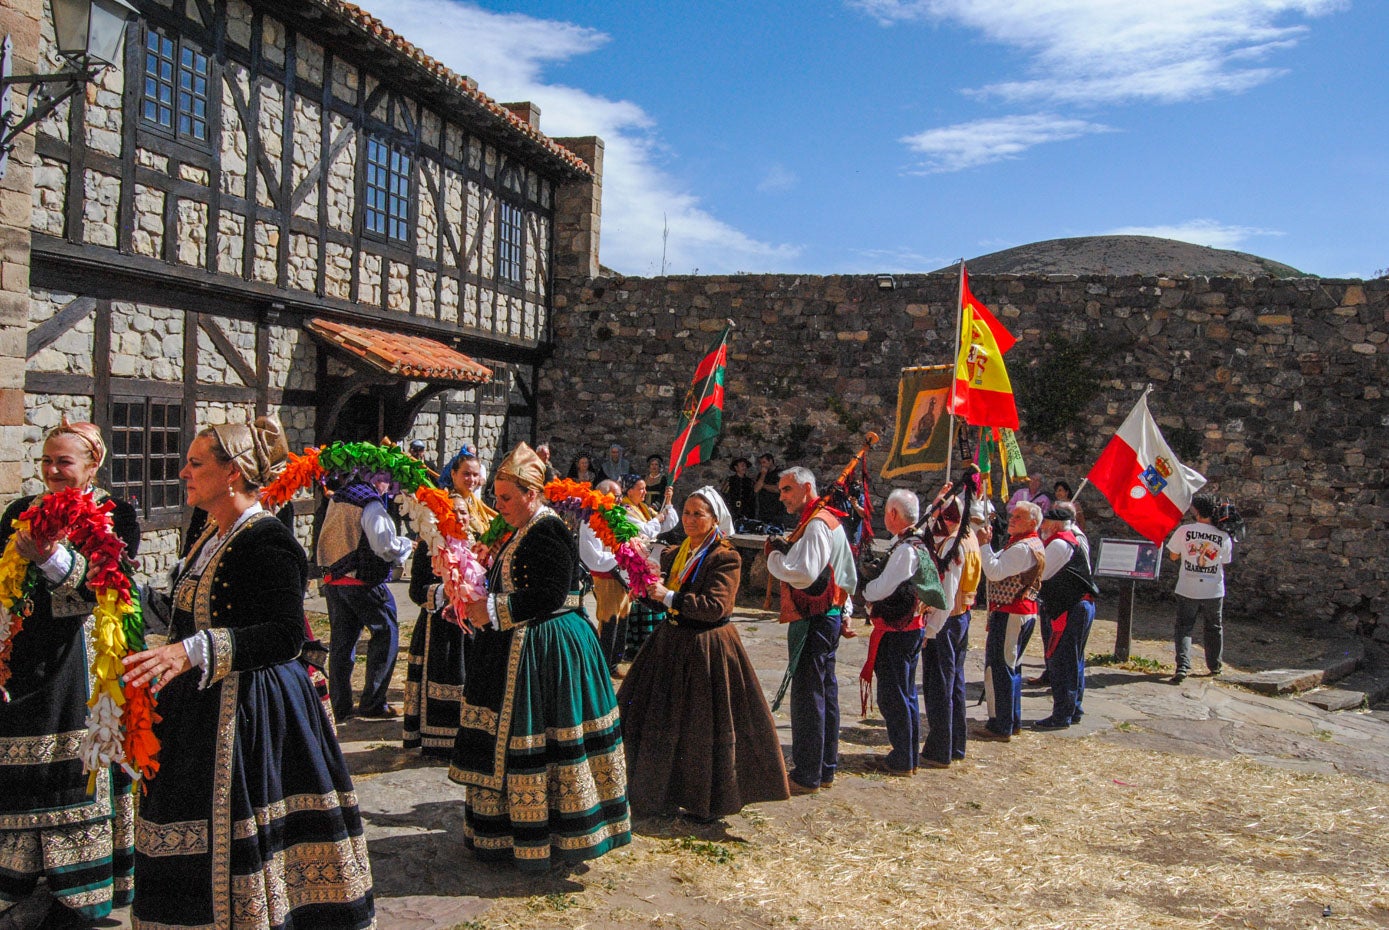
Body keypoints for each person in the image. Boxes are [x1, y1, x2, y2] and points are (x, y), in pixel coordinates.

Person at [122, 418, 374, 929]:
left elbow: (285, 634)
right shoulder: (208, 534)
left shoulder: (270, 540)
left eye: (196, 464)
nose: (184, 473)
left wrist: (193, 650)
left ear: (232, 473)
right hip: (199, 711)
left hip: (248, 713)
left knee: (237, 831)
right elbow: (186, 609)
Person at [449, 442, 630, 870]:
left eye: (506, 497)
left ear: (533, 494)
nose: (498, 504)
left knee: (539, 738)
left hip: (544, 649)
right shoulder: (517, 527)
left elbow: (551, 593)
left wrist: (494, 609)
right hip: (514, 642)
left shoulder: (548, 530)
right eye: (496, 496)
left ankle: (547, 831)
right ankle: (507, 829)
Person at [0, 421, 137, 927]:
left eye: (65, 462)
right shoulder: (20, 513)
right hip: (23, 659)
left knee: (79, 770)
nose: (54, 471)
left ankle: (79, 894)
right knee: (22, 766)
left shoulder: (115, 514)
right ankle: (26, 884)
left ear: (92, 465)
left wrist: (56, 559)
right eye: (48, 461)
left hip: (83, 662)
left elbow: (119, 585)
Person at [618, 487, 789, 819]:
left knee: (701, 726)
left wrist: (668, 597)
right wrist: (642, 580)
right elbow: (656, 589)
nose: (690, 520)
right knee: (658, 718)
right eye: (686, 513)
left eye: (699, 514)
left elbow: (715, 606)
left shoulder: (725, 557)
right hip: (669, 644)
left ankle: (704, 802)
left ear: (714, 520)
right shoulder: (677, 551)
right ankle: (654, 793)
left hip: (705, 649)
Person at [766, 467, 858, 794]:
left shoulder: (818, 524)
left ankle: (807, 775)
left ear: (806, 488)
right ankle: (824, 768)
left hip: (815, 619)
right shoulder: (826, 520)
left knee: (809, 696)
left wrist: (774, 558)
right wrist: (845, 609)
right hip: (827, 616)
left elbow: (804, 574)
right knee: (824, 693)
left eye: (787, 489)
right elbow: (847, 572)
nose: (782, 496)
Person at [403, 445, 497, 757]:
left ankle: (468, 738)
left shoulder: (477, 538)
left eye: (464, 513)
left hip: (470, 625)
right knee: (444, 679)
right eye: (453, 512)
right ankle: (438, 741)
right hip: (439, 629)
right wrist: (450, 593)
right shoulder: (430, 544)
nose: (460, 516)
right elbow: (417, 590)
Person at [317, 472, 413, 720]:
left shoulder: (339, 496)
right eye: (388, 482)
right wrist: (405, 546)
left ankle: (339, 705)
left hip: (335, 579)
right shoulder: (370, 503)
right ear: (375, 479)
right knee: (386, 633)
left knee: (342, 643)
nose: (389, 488)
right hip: (362, 580)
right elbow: (384, 546)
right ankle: (373, 703)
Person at [858, 489, 929, 775]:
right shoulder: (913, 545)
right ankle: (906, 755)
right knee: (904, 693)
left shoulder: (906, 550)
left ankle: (903, 758)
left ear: (894, 514)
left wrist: (865, 591)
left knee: (895, 694)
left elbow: (884, 587)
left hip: (899, 631)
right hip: (905, 629)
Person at [920, 490, 983, 769]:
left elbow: (946, 593)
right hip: (961, 618)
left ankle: (940, 748)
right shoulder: (969, 538)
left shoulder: (954, 544)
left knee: (939, 686)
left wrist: (930, 629)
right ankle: (956, 743)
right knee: (953, 683)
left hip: (947, 621)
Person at [974, 500, 1046, 741]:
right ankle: (1009, 720)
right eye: (1013, 516)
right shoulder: (1024, 544)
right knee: (1010, 666)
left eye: (1019, 517)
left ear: (1032, 522)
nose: (1012, 520)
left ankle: (1001, 723)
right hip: (1015, 611)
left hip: (1013, 612)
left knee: (1001, 667)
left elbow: (994, 571)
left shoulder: (1023, 548)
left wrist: (984, 544)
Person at [1033, 503, 1098, 729]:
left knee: (1063, 662)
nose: (1042, 527)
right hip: (1076, 605)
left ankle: (1062, 714)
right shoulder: (1068, 539)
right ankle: (1073, 708)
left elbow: (1039, 574)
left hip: (1071, 607)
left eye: (1046, 523)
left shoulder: (1060, 543)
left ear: (1054, 524)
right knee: (1072, 661)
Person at [1166, 494, 1234, 684]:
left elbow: (1172, 556)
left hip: (1188, 586)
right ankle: (1215, 665)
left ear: (1195, 511)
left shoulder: (1185, 530)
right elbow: (1226, 561)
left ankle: (1183, 666)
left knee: (1184, 627)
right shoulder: (1223, 535)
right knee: (1214, 627)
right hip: (1213, 588)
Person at [581, 479, 636, 676]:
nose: (620, 500)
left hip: (620, 575)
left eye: (620, 496)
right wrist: (620, 557)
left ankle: (614, 663)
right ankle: (603, 666)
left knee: (622, 620)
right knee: (609, 621)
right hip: (606, 576)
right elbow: (592, 555)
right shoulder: (590, 519)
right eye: (616, 496)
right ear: (602, 496)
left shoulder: (615, 517)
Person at [620, 474, 678, 660]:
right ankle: (632, 647)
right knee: (638, 600)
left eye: (645, 488)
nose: (645, 492)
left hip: (649, 559)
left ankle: (648, 643)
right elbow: (643, 530)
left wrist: (668, 503)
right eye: (641, 488)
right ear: (630, 491)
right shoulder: (625, 509)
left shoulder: (643, 508)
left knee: (648, 599)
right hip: (634, 563)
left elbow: (669, 523)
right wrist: (658, 519)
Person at [723, 456, 756, 526]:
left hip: (746, 512)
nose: (744, 467)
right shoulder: (730, 480)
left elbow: (753, 498)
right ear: (736, 467)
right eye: (742, 465)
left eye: (745, 466)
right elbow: (724, 495)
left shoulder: (749, 481)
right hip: (732, 511)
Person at [753, 453, 783, 529]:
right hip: (763, 510)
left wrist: (763, 485)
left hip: (776, 509)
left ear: (770, 461)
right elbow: (756, 489)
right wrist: (763, 474)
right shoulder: (761, 475)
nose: (763, 465)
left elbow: (778, 489)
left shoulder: (779, 473)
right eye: (761, 463)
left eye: (764, 462)